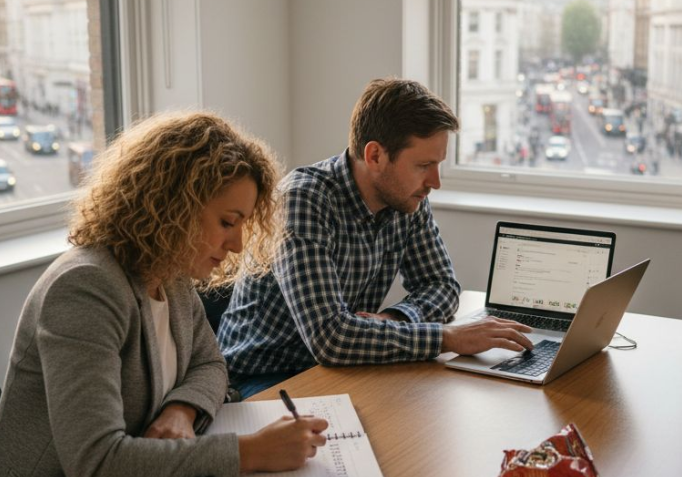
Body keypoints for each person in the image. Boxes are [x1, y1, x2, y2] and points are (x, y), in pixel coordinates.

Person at [0, 111, 328, 477]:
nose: (238, 245)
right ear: (175, 206)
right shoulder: (84, 288)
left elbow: (210, 364)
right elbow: (97, 468)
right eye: (227, 222)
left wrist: (181, 410)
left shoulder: (170, 274)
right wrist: (252, 453)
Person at [219, 78, 532, 399]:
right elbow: (332, 339)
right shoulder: (302, 200)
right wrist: (448, 338)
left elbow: (443, 287)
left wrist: (393, 318)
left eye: (437, 165)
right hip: (262, 374)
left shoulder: (407, 197)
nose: (434, 182)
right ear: (375, 156)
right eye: (424, 165)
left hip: (337, 366)